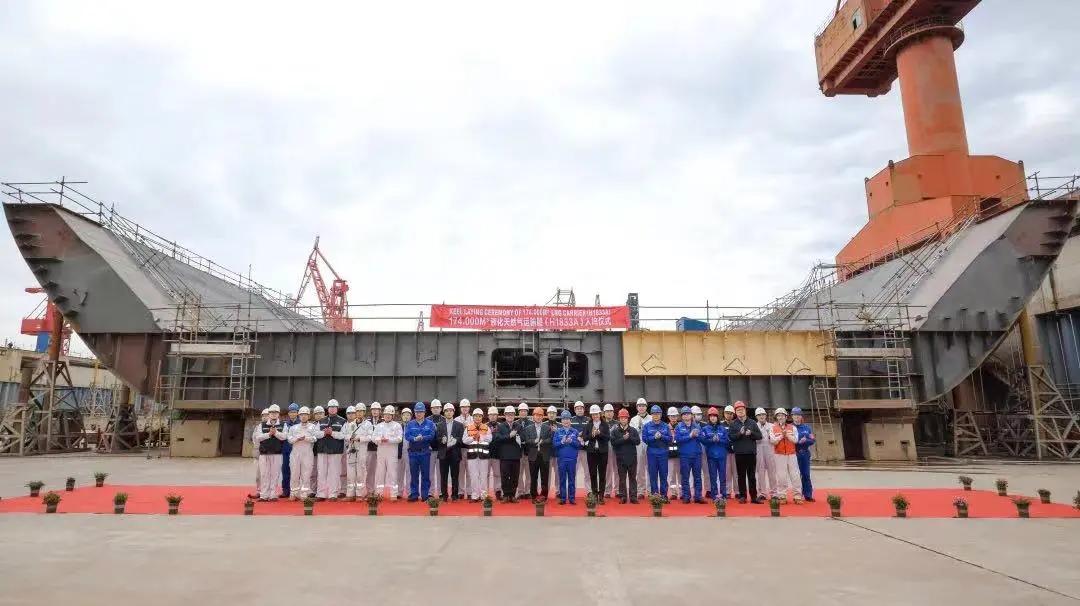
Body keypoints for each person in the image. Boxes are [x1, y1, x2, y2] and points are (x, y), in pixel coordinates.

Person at [729, 401, 763, 504]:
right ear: (735, 412)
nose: (740, 411)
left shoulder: (752, 422)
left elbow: (759, 436)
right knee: (741, 476)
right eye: (738, 410)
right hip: (739, 453)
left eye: (742, 409)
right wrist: (740, 433)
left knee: (752, 476)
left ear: (745, 410)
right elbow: (731, 437)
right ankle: (743, 496)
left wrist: (751, 433)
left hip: (751, 453)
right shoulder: (733, 424)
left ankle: (754, 497)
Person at [490, 405, 524, 502]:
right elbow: (497, 438)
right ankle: (505, 495)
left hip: (516, 455)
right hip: (504, 455)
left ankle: (512, 495)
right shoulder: (500, 426)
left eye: (512, 414)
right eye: (508, 414)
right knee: (504, 476)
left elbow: (523, 437)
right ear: (505, 415)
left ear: (514, 415)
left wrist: (518, 437)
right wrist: (509, 436)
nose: (510, 416)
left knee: (515, 476)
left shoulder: (518, 426)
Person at [404, 402, 437, 501]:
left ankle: (425, 495)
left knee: (425, 475)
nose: (419, 414)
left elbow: (432, 435)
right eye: (417, 412)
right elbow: (407, 436)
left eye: (421, 412)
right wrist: (414, 439)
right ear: (414, 412)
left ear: (424, 412)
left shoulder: (430, 423)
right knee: (413, 475)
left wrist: (423, 438)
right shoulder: (410, 424)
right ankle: (414, 494)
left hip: (425, 453)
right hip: (413, 453)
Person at [769, 408, 804, 504]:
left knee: (795, 475)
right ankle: (782, 495)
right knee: (781, 476)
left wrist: (787, 435)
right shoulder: (773, 428)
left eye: (782, 415)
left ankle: (797, 495)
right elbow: (773, 441)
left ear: (786, 417)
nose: (780, 417)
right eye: (778, 416)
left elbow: (795, 440)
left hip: (791, 454)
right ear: (776, 417)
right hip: (779, 455)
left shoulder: (792, 427)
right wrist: (781, 436)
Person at [254, 403, 287, 501]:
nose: (273, 414)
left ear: (278, 414)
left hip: (277, 453)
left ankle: (272, 495)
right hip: (264, 454)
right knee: (264, 475)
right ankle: (264, 495)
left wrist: (276, 433)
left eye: (275, 412)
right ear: (269, 414)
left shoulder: (283, 425)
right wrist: (269, 434)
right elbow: (258, 437)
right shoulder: (262, 425)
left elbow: (284, 437)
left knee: (275, 475)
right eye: (272, 412)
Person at [315, 400, 346, 500]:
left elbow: (343, 435)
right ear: (327, 409)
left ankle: (333, 494)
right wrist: (324, 433)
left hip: (335, 451)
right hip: (322, 450)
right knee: (321, 472)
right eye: (330, 407)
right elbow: (315, 434)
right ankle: (321, 494)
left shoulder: (342, 421)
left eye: (334, 407)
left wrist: (332, 433)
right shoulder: (321, 421)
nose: (332, 409)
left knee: (334, 473)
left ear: (337, 408)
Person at [609, 408, 641, 504]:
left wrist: (629, 437)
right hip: (620, 458)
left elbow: (637, 442)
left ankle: (633, 497)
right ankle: (623, 496)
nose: (623, 419)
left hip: (632, 457)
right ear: (619, 419)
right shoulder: (615, 431)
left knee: (632, 478)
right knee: (622, 478)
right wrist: (623, 439)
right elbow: (613, 443)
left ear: (628, 419)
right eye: (621, 418)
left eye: (625, 418)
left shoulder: (633, 430)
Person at [675, 406, 705, 503]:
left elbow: (703, 439)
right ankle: (686, 496)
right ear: (681, 416)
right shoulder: (679, 426)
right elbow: (678, 440)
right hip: (685, 455)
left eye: (688, 414)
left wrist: (698, 435)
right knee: (685, 476)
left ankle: (698, 496)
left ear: (691, 415)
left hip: (696, 455)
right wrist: (690, 436)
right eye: (684, 414)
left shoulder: (697, 426)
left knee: (697, 476)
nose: (686, 415)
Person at [343, 402, 373, 500]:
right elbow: (345, 435)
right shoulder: (350, 424)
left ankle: (360, 494)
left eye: (361, 411)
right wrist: (350, 438)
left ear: (364, 412)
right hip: (351, 450)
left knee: (361, 472)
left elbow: (370, 437)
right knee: (350, 473)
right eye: (358, 411)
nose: (359, 413)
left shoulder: (368, 424)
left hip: (362, 450)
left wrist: (360, 438)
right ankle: (350, 494)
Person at [521, 406, 552, 500]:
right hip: (533, 456)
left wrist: (543, 442)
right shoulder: (528, 428)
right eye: (536, 415)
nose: (538, 417)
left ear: (543, 417)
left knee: (544, 477)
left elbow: (550, 439)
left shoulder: (547, 428)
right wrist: (534, 441)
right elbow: (526, 440)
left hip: (544, 456)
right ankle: (533, 495)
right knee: (533, 477)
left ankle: (544, 495)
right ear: (533, 416)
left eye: (540, 415)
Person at [642, 405, 672, 501]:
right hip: (652, 453)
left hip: (663, 452)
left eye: (658, 414)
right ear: (651, 415)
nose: (656, 415)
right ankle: (655, 496)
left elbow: (670, 439)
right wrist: (654, 437)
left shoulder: (665, 426)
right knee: (653, 475)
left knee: (664, 474)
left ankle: (664, 495)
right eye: (654, 414)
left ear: (661, 414)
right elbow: (645, 439)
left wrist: (662, 436)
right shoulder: (647, 426)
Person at [373, 404, 403, 498]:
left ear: (393, 416)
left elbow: (399, 438)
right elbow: (373, 438)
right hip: (381, 452)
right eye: (386, 414)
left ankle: (394, 494)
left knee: (393, 473)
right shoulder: (379, 426)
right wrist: (379, 440)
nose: (388, 416)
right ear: (383, 415)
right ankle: (379, 493)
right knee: (380, 473)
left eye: (390, 414)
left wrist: (389, 440)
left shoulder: (397, 425)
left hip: (392, 453)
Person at [552, 410, 582, 505]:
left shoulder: (575, 431)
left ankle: (572, 498)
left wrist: (571, 442)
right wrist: (562, 442)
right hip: (561, 459)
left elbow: (579, 445)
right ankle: (563, 498)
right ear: (561, 420)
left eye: (567, 419)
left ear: (570, 420)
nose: (566, 421)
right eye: (564, 419)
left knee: (572, 479)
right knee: (562, 479)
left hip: (572, 459)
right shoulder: (558, 432)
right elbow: (554, 444)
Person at [287, 406, 318, 499]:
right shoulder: (293, 428)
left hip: (307, 454)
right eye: (301, 415)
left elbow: (315, 438)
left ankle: (304, 493)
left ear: (309, 416)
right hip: (295, 454)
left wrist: (306, 438)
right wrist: (297, 439)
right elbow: (289, 439)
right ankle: (294, 493)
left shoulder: (313, 427)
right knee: (294, 474)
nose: (303, 416)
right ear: (299, 416)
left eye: (305, 415)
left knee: (306, 474)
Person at [582, 404, 611, 503]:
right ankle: (594, 495)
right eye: (593, 414)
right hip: (591, 452)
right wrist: (592, 434)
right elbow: (584, 438)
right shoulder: (588, 425)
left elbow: (607, 438)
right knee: (593, 474)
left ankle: (601, 496)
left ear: (600, 414)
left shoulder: (605, 425)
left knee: (602, 474)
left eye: (596, 414)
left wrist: (600, 433)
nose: (595, 416)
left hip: (603, 452)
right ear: (591, 415)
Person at [461, 407, 491, 501]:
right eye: (476, 416)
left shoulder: (486, 427)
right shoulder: (468, 428)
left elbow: (490, 439)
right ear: (473, 417)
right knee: (473, 476)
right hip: (472, 455)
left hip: (484, 455)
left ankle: (483, 495)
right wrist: (473, 438)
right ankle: (475, 495)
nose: (477, 418)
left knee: (483, 476)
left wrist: (481, 436)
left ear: (482, 417)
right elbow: (464, 440)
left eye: (479, 416)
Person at [700, 407, 730, 500]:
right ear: (709, 417)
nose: (713, 418)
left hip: (722, 456)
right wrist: (711, 440)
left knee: (722, 476)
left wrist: (719, 440)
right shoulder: (705, 429)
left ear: (717, 417)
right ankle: (714, 495)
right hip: (711, 456)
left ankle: (723, 494)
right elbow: (703, 440)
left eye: (714, 416)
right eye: (711, 416)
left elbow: (727, 441)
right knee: (712, 476)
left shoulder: (722, 429)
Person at [436, 402, 464, 501]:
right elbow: (437, 438)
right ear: (444, 412)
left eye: (450, 411)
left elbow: (462, 439)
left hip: (455, 453)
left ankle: (455, 495)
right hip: (443, 453)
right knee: (443, 476)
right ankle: (444, 495)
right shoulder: (439, 425)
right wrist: (441, 440)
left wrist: (456, 440)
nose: (448, 412)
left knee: (455, 476)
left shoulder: (459, 425)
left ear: (453, 412)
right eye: (447, 411)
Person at [791, 407, 816, 502]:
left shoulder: (807, 428)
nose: (797, 417)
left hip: (804, 453)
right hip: (794, 453)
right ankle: (797, 495)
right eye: (795, 415)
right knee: (796, 476)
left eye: (798, 415)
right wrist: (798, 442)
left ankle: (808, 494)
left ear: (801, 416)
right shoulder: (790, 427)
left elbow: (812, 440)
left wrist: (806, 441)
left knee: (806, 474)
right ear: (792, 416)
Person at [755, 407, 778, 500]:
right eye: (759, 415)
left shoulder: (772, 426)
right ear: (756, 416)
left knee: (772, 472)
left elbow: (776, 440)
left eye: (763, 414)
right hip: (758, 450)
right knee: (760, 472)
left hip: (770, 450)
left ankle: (774, 493)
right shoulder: (754, 426)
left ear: (766, 415)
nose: (761, 416)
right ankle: (762, 493)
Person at [628, 398, 649, 500]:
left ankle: (650, 490)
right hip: (638, 445)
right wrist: (639, 428)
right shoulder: (633, 420)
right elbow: (631, 432)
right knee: (639, 469)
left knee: (650, 468)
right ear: (637, 407)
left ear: (646, 407)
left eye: (643, 406)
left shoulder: (651, 418)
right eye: (639, 406)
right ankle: (641, 490)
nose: (641, 407)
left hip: (649, 444)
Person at [250, 408, 270, 499]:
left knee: (268, 475)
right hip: (258, 454)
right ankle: (259, 491)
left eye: (266, 415)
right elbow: (254, 439)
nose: (264, 417)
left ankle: (268, 492)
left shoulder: (272, 427)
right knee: (258, 476)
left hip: (269, 454)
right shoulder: (258, 427)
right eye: (263, 415)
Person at [281, 403, 300, 498]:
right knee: (285, 470)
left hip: (298, 451)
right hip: (286, 450)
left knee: (297, 472)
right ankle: (286, 490)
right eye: (291, 412)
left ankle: (296, 491)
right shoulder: (284, 424)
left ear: (297, 413)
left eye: (294, 412)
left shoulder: (301, 424)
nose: (292, 414)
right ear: (288, 413)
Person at [454, 398, 472, 499]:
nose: (465, 408)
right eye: (463, 407)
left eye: (466, 407)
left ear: (469, 408)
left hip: (470, 448)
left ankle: (469, 492)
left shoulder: (473, 419)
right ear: (460, 408)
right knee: (460, 471)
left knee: (470, 471)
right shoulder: (456, 420)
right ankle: (460, 491)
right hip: (459, 449)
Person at [570, 401, 589, 491]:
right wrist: (577, 436)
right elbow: (569, 433)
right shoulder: (571, 420)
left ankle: (589, 491)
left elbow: (590, 433)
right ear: (575, 410)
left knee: (587, 471)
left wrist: (584, 436)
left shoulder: (589, 420)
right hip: (574, 450)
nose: (579, 410)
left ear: (584, 409)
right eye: (577, 409)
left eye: (581, 408)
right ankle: (572, 490)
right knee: (573, 471)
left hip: (586, 450)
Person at [665, 407, 681, 499]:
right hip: (669, 455)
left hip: (680, 454)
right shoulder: (665, 427)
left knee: (681, 474)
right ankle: (673, 493)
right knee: (671, 475)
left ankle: (682, 493)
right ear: (668, 417)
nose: (673, 418)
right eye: (671, 416)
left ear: (677, 416)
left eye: (675, 416)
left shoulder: (681, 426)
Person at [485, 406, 502, 497]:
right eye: (491, 415)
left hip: (497, 454)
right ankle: (485, 492)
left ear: (497, 415)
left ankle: (498, 491)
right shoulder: (484, 426)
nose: (493, 416)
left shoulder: (501, 426)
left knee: (497, 474)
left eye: (494, 414)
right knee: (486, 474)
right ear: (488, 416)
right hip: (486, 454)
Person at [517, 402, 532, 498]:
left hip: (529, 452)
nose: (523, 413)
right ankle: (520, 491)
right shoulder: (515, 424)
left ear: (527, 412)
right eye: (521, 411)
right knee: (519, 473)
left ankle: (527, 491)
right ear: (518, 412)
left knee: (529, 473)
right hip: (518, 452)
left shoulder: (531, 423)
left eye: (525, 411)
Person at [602, 403, 618, 498]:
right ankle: (607, 491)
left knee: (617, 469)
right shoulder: (601, 423)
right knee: (607, 470)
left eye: (611, 411)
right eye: (607, 411)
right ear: (604, 413)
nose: (609, 413)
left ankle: (617, 490)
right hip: (605, 448)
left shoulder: (617, 423)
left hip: (617, 448)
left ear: (613, 413)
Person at [365, 402, 381, 491]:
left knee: (379, 471)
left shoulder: (383, 421)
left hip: (381, 449)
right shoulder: (367, 422)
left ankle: (378, 491)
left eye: (376, 409)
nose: (375, 411)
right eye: (373, 409)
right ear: (371, 411)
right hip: (370, 449)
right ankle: (370, 490)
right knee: (370, 470)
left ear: (379, 411)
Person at [429, 399, 443, 497]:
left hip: (441, 450)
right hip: (430, 450)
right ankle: (430, 492)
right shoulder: (427, 420)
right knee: (430, 472)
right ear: (431, 409)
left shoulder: (444, 419)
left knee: (440, 473)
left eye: (437, 407)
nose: (436, 409)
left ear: (441, 408)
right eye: (434, 408)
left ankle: (441, 492)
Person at [723, 405, 737, 498]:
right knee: (727, 473)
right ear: (724, 414)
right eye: (727, 413)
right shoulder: (721, 425)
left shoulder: (737, 424)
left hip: (736, 451)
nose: (729, 415)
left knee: (736, 473)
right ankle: (727, 491)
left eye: (731, 413)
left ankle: (737, 491)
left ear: (733, 414)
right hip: (725, 452)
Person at [310, 406, 325, 495]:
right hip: (313, 452)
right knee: (313, 472)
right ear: (314, 415)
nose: (319, 415)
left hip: (325, 451)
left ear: (324, 414)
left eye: (320, 413)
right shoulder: (311, 426)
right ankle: (313, 490)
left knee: (322, 472)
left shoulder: (327, 424)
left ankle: (322, 491)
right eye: (317, 414)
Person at [398, 407, 413, 497]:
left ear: (411, 416)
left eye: (408, 415)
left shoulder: (413, 426)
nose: (406, 417)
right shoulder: (398, 426)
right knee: (399, 473)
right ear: (401, 416)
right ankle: (399, 492)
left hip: (409, 452)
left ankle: (409, 492)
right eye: (404, 415)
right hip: (400, 452)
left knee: (409, 473)